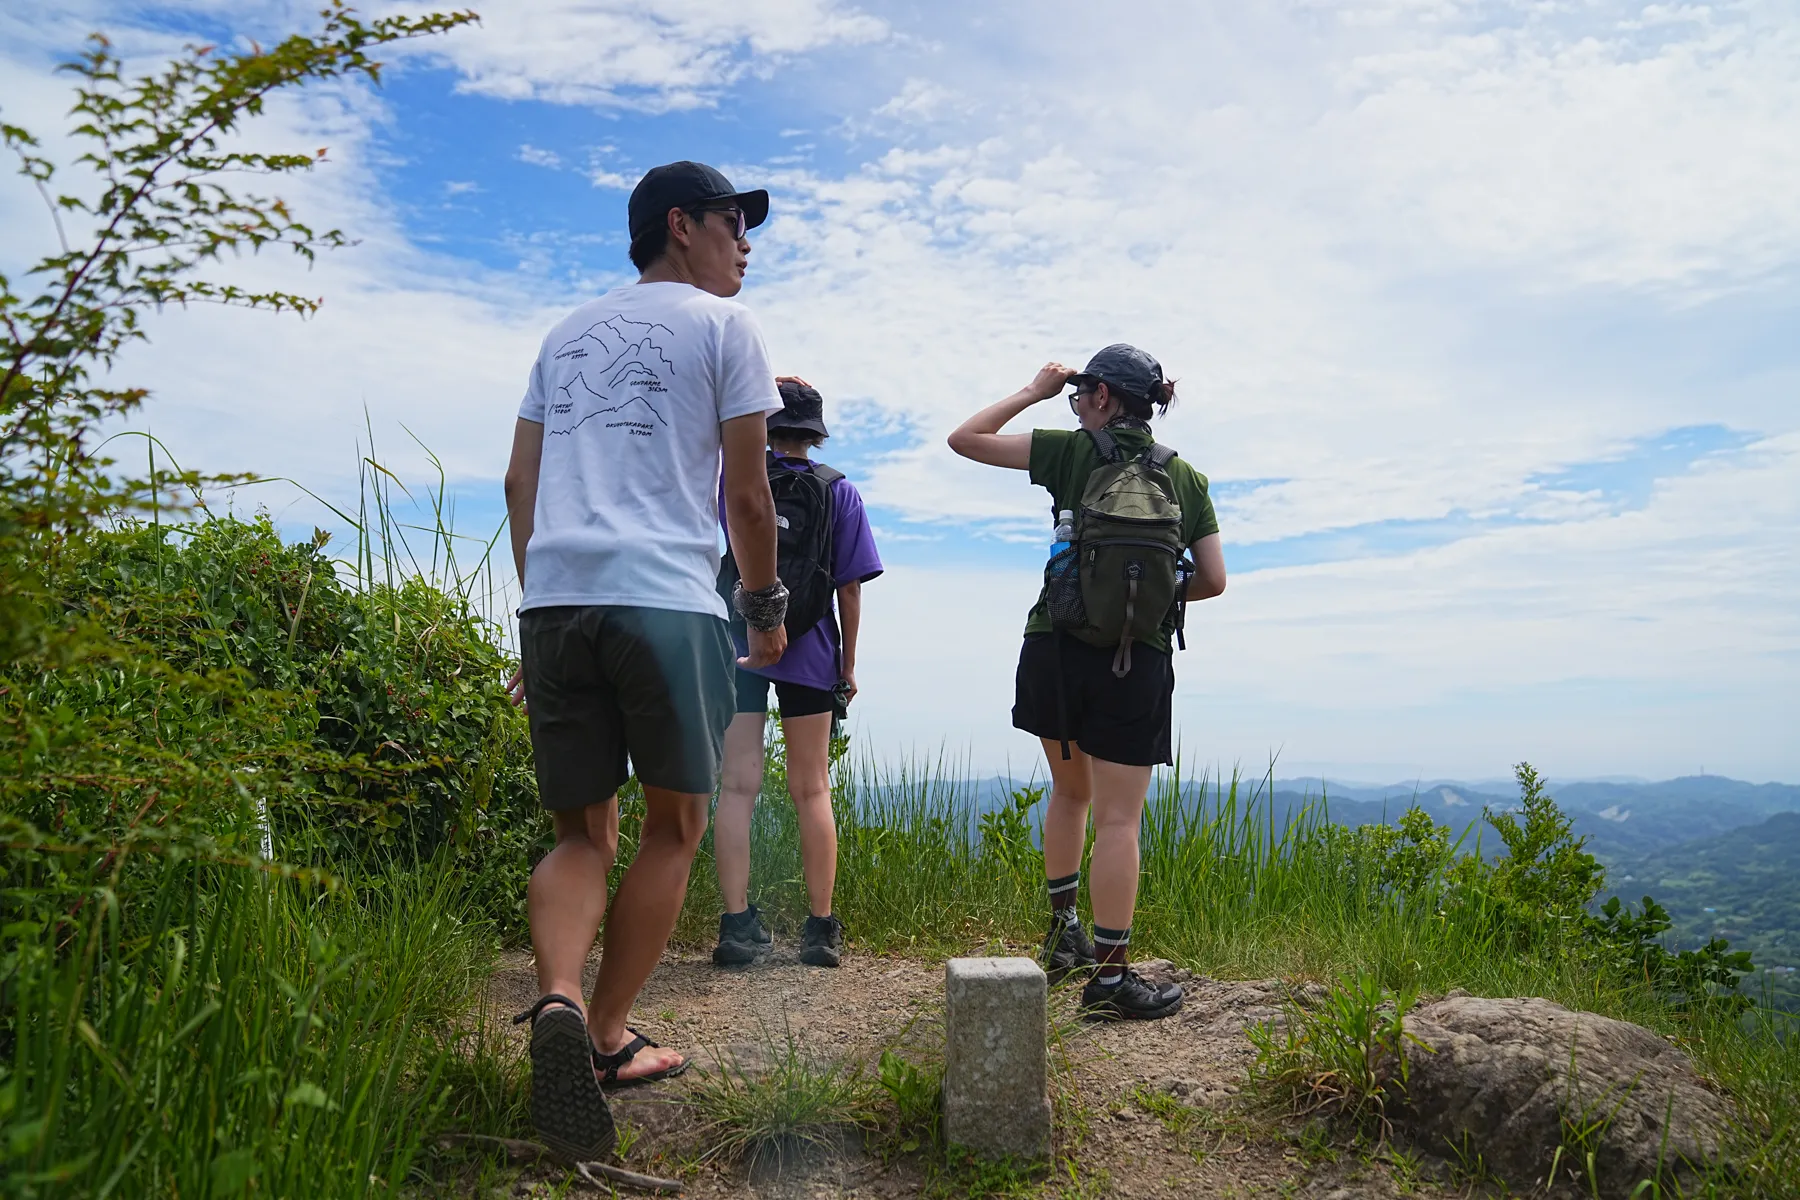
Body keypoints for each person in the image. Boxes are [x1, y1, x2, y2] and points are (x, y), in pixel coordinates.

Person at [501, 160, 790, 1161]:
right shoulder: (724, 329)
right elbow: (748, 498)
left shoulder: (563, 332)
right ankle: (608, 1037)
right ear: (682, 225)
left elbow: (518, 482)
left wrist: (536, 610)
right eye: (731, 221)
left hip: (558, 599)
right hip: (665, 600)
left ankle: (556, 1002)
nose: (744, 241)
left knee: (584, 832)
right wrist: (762, 611)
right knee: (677, 824)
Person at [946, 345, 1226, 1021]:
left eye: (1079, 395)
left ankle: (1062, 932)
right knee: (1120, 818)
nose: (1075, 405)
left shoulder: (1070, 453)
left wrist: (1034, 390)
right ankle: (1110, 977)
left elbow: (966, 439)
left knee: (1070, 792)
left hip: (1055, 647)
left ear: (1101, 396)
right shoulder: (1184, 478)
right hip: (1138, 658)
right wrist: (1146, 594)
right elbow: (1214, 581)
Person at [711, 379, 883, 969]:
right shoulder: (840, 492)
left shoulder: (737, 480)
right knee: (811, 788)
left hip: (739, 643)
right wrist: (848, 664)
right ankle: (819, 930)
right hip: (811, 649)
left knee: (737, 785)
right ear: (815, 433)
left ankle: (736, 926)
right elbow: (850, 588)